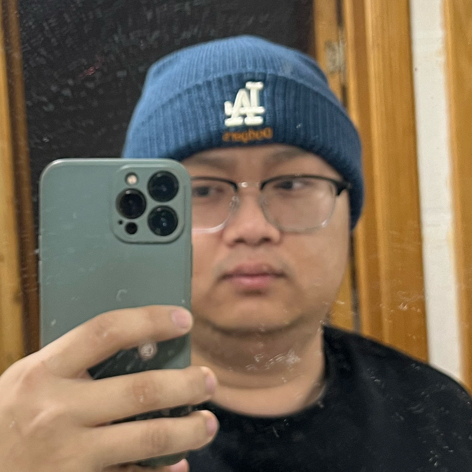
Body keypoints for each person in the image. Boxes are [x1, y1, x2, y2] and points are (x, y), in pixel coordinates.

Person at [0, 35, 471, 472]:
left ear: (349, 212)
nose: (252, 229)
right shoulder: (59, 428)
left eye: (291, 184)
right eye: (202, 189)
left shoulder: (439, 415)